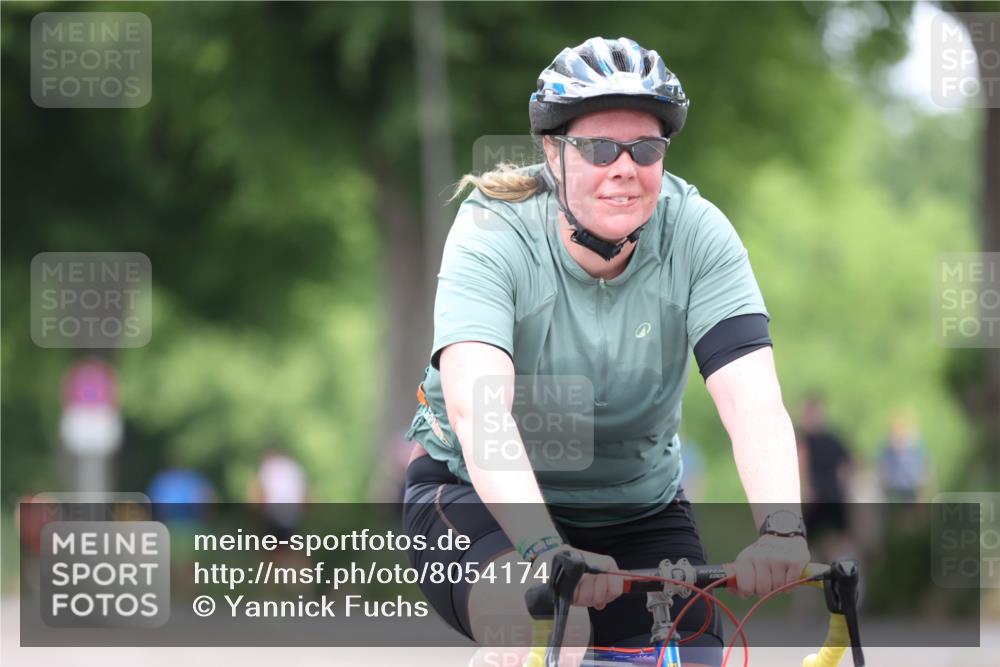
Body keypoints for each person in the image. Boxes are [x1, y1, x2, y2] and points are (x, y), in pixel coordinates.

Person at [401, 37, 809, 667]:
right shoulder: (492, 231)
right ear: (552, 151)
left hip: (638, 505)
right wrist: (543, 547)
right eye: (597, 148)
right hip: (476, 500)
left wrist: (782, 529)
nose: (624, 166)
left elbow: (753, 404)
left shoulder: (698, 233)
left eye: (645, 148)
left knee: (697, 659)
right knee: (552, 631)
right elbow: (480, 413)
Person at [796, 394, 854, 558]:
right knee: (809, 545)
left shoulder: (831, 439)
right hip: (816, 499)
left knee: (838, 543)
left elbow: (849, 466)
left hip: (830, 497)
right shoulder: (803, 440)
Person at [876, 409, 929, 502]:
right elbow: (880, 462)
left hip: (910, 482)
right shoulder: (887, 446)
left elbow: (924, 462)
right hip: (893, 482)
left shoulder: (916, 444)